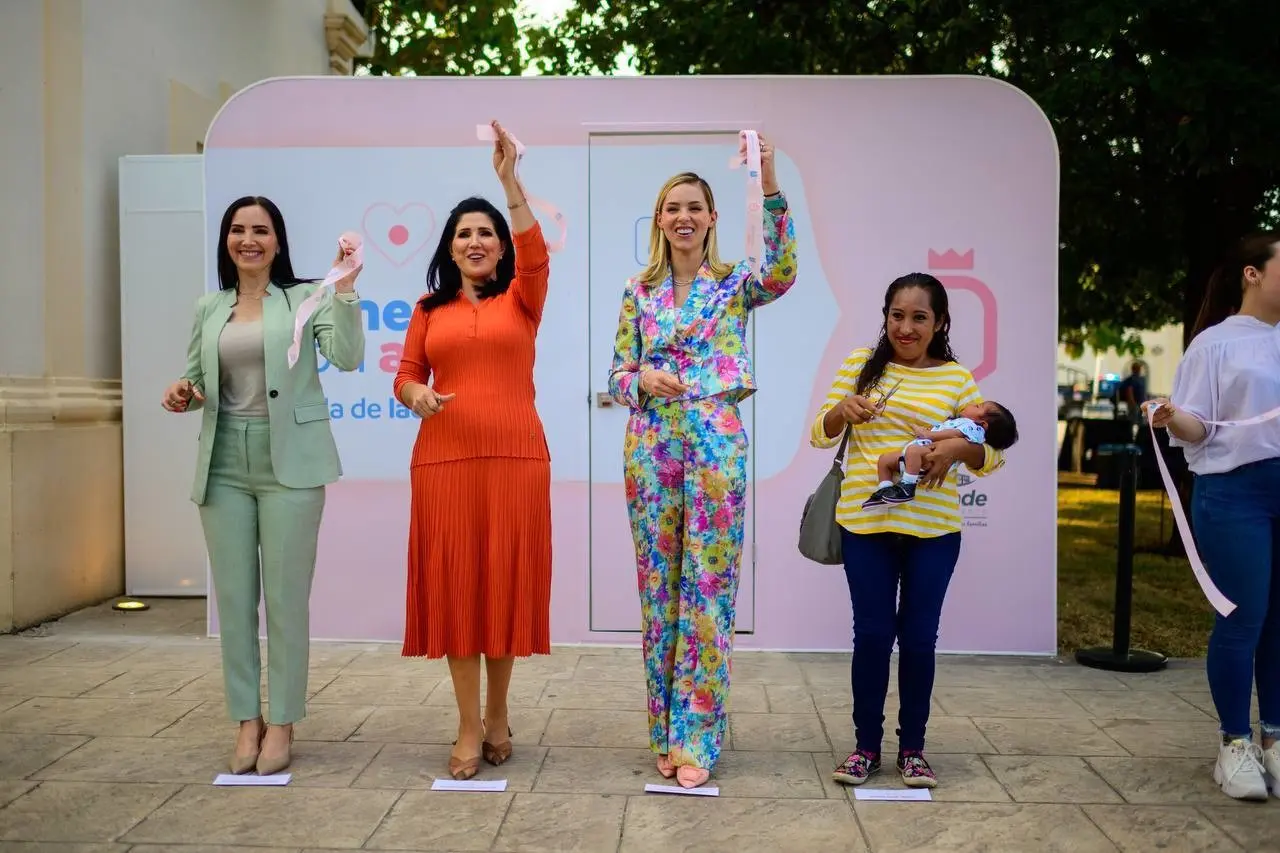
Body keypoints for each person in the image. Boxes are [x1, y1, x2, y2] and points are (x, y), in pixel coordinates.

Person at [608, 146, 799, 789]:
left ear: (714, 217)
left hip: (716, 439)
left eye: (695, 207)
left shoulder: (733, 284)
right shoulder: (638, 291)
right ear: (659, 220)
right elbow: (616, 371)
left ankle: (698, 737)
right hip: (651, 443)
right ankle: (663, 730)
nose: (683, 217)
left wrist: (768, 187)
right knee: (658, 591)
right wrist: (641, 380)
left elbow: (781, 274)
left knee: (708, 592)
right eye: (672, 208)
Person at [160, 195, 365, 775]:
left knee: (284, 600)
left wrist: (346, 289)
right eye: (237, 229)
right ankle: (246, 719)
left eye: (261, 230)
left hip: (290, 467)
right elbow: (198, 379)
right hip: (223, 463)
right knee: (233, 600)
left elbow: (348, 357)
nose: (248, 239)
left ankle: (283, 722)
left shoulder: (306, 297)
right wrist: (182, 390)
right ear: (227, 240)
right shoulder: (209, 307)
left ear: (278, 241)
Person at [393, 121, 553, 782]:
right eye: (465, 233)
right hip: (445, 463)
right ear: (450, 248)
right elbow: (404, 374)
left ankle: (498, 714)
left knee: (503, 591)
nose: (477, 240)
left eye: (486, 231)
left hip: (516, 460)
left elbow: (536, 250)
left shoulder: (524, 297)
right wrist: (417, 396)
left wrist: (508, 182)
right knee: (461, 592)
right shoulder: (428, 309)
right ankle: (465, 725)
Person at [809, 273, 1007, 789]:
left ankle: (913, 750)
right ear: (886, 317)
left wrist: (960, 449)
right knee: (872, 636)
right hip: (865, 523)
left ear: (940, 322)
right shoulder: (859, 365)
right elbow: (817, 433)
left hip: (933, 531)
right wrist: (841, 411)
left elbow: (992, 453)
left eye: (919, 317)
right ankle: (865, 749)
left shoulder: (956, 379)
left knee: (919, 640)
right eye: (897, 315)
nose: (906, 326)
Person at [1145, 230, 1280, 801]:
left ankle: (1274, 739)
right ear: (1252, 273)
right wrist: (1171, 418)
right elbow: (1199, 428)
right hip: (1233, 495)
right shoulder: (1215, 344)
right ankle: (1234, 744)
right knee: (1243, 618)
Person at [864, 401, 1018, 508]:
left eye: (977, 406)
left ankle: (907, 487)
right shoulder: (960, 421)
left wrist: (927, 434)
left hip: (931, 454)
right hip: (921, 452)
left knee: (912, 452)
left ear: (983, 424)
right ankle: (885, 489)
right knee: (884, 460)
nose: (971, 404)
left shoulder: (972, 427)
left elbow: (953, 434)